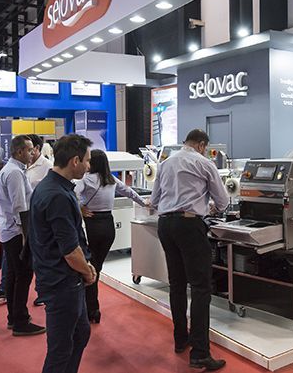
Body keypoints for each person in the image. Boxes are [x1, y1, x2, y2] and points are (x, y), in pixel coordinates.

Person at [150, 129, 229, 371]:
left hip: (165, 225)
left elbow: (154, 200)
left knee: (177, 284)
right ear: (202, 145)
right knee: (200, 287)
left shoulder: (165, 163)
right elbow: (223, 200)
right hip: (188, 225)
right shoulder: (203, 163)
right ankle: (200, 353)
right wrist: (212, 207)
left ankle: (180, 339)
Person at [28, 134, 96, 373]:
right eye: (87, 161)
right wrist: (87, 271)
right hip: (61, 281)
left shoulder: (53, 187)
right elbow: (69, 250)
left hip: (62, 278)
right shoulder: (57, 194)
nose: (89, 166)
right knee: (60, 349)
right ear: (75, 161)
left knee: (80, 333)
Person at [75, 149, 147, 323]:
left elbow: (72, 194)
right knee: (96, 266)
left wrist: (80, 208)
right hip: (108, 226)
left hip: (93, 225)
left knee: (92, 267)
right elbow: (129, 192)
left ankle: (91, 309)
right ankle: (92, 308)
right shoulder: (111, 179)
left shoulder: (86, 179)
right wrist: (145, 203)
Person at [0, 135, 45, 336]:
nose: (33, 153)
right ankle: (20, 321)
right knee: (23, 275)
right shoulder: (15, 172)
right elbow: (19, 207)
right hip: (17, 232)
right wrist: (26, 235)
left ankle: (14, 317)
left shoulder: (11, 170)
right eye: (29, 150)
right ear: (19, 152)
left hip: (9, 230)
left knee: (14, 275)